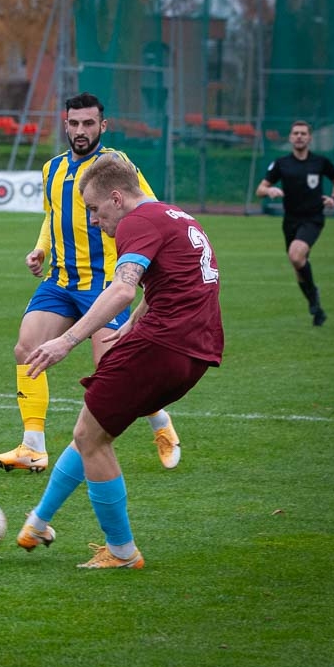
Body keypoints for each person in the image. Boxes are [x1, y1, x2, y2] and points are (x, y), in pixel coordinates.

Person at [15, 153, 224, 568]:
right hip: (197, 350)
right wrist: (131, 327)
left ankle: (122, 551)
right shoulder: (174, 214)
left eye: (93, 209)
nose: (93, 220)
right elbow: (175, 279)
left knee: (91, 438)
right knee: (92, 428)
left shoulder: (135, 223)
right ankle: (38, 523)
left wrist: (68, 340)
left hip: (162, 346)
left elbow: (123, 289)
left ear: (115, 198)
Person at [0, 92, 183, 474]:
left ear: (102, 126)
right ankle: (32, 447)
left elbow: (148, 207)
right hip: (60, 280)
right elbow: (52, 214)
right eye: (74, 123)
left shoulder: (116, 166)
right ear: (65, 125)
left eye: (89, 123)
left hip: (104, 283)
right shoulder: (52, 169)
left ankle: (160, 422)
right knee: (27, 347)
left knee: (112, 369)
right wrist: (40, 249)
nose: (81, 131)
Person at [255, 120, 334, 326]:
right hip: (290, 221)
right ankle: (317, 308)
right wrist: (269, 190)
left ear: (310, 137)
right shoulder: (281, 163)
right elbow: (260, 189)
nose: (299, 136)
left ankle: (313, 295)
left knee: (296, 256)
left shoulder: (320, 162)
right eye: (295, 133)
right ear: (290, 137)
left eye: (303, 133)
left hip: (313, 219)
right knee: (299, 267)